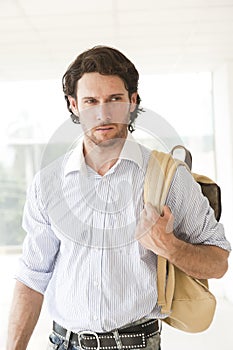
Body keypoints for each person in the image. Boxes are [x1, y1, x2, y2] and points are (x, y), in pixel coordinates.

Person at [7, 45, 231, 350]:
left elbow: (218, 262)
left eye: (114, 99)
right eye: (90, 101)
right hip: (63, 343)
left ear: (132, 102)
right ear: (73, 105)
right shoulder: (48, 183)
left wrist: (171, 247)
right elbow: (32, 278)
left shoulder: (168, 177)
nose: (103, 113)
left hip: (137, 343)